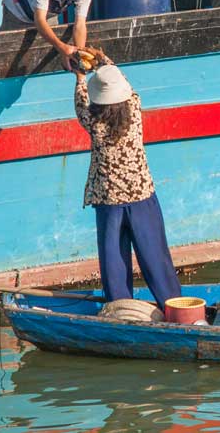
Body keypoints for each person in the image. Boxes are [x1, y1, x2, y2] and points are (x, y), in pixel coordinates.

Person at [73, 54, 183, 309]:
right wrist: (102, 60)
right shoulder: (134, 109)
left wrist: (81, 75)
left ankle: (121, 309)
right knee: (155, 256)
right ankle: (176, 307)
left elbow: (81, 99)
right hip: (142, 197)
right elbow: (122, 82)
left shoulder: (93, 122)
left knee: (114, 261)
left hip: (109, 201)